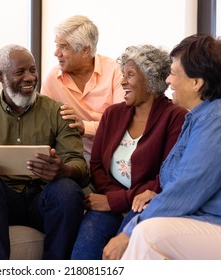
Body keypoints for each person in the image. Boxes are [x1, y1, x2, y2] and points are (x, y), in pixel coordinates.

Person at [103, 34, 221, 260]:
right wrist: (156, 197)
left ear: (197, 83)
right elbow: (179, 183)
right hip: (211, 219)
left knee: (146, 234)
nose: (168, 80)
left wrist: (126, 234)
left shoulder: (220, 122)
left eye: (174, 73)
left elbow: (187, 189)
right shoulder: (201, 117)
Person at [0, 44, 89, 260]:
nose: (30, 78)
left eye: (33, 70)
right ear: (0, 76)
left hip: (44, 199)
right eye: (20, 72)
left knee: (67, 189)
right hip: (3, 201)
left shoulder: (57, 112)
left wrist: (64, 170)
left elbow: (81, 168)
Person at [70, 45, 188, 260]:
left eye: (130, 75)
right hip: (109, 201)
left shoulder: (176, 117)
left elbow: (167, 177)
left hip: (146, 206)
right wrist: (112, 199)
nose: (122, 82)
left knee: (121, 255)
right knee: (83, 254)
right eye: (122, 75)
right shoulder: (112, 114)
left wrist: (116, 201)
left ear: (151, 80)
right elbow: (96, 165)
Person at [41, 15, 125, 162]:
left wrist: (85, 127)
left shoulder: (115, 72)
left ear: (85, 50)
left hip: (115, 154)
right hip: (72, 157)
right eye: (56, 45)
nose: (56, 53)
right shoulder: (53, 78)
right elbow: (43, 126)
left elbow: (122, 122)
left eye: (64, 46)